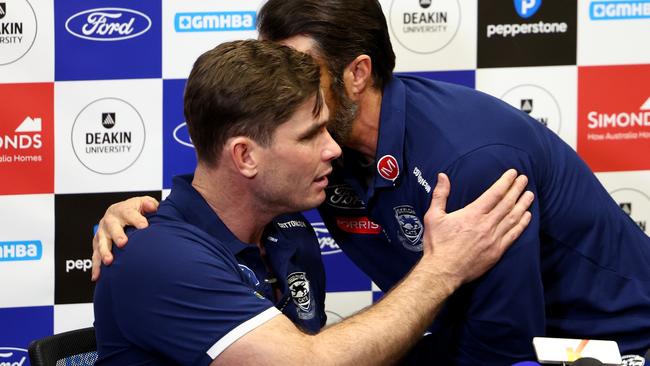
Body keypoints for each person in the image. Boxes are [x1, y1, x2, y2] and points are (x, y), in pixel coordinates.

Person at [94, 0, 650, 364]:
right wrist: (140, 219)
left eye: (297, 71)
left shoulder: (470, 158)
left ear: (356, 74)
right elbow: (226, 193)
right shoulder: (305, 174)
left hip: (606, 346)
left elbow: (504, 341)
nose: (278, 85)